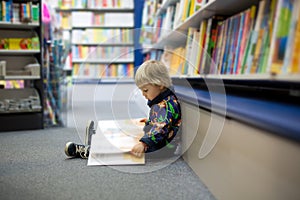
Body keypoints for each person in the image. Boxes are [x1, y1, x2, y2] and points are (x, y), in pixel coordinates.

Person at [64, 60, 182, 159]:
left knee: (123, 149)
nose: (143, 94)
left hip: (160, 148)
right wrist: (150, 121)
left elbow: (160, 128)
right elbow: (162, 122)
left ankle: (88, 151)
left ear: (160, 85)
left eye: (145, 90)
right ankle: (98, 140)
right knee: (128, 131)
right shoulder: (166, 99)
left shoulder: (165, 105)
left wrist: (144, 143)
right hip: (160, 143)